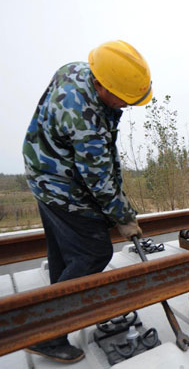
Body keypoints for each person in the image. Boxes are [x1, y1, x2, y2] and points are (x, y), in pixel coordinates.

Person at [22, 40, 152, 363]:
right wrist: (123, 216)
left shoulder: (77, 71)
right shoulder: (86, 116)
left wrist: (119, 205)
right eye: (125, 100)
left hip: (42, 168)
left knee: (65, 252)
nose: (126, 106)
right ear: (104, 86)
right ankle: (47, 331)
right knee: (95, 251)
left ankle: (60, 307)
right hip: (57, 183)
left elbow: (101, 161)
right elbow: (98, 179)